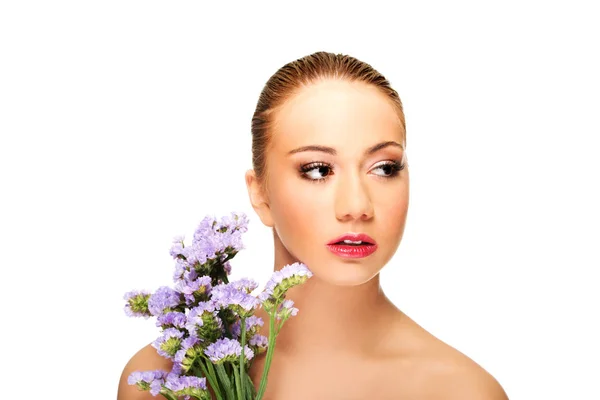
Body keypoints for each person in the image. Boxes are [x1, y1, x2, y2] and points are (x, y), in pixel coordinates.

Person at [118, 51, 509, 399]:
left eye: (384, 168)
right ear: (260, 194)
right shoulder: (162, 382)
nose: (356, 206)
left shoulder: (463, 391)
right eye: (318, 170)